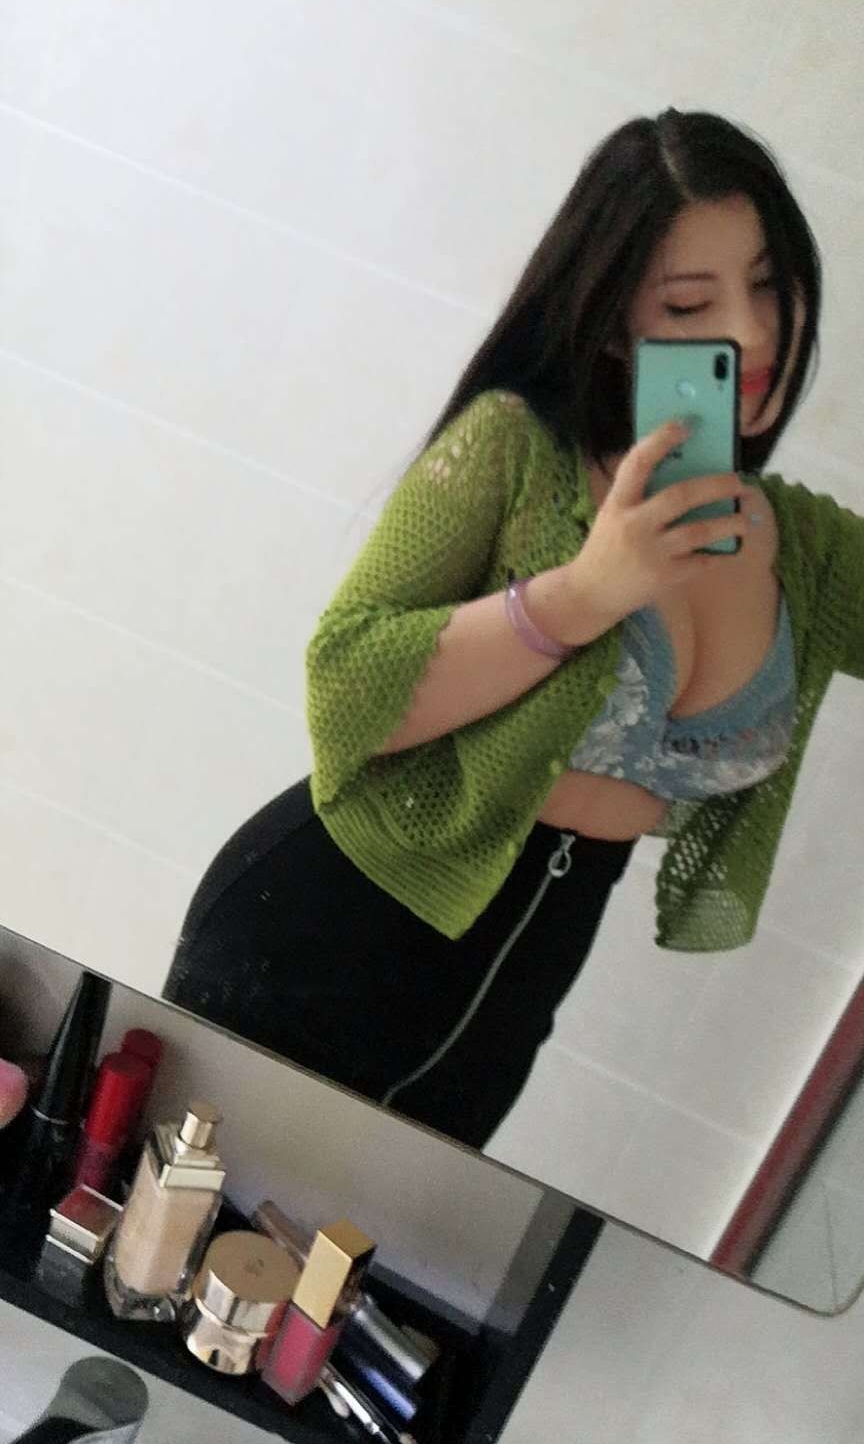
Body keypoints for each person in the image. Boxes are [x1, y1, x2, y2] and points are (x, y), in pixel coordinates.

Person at [162, 107, 864, 1151]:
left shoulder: (805, 554)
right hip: (316, 938)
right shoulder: (514, 450)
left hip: (502, 1018)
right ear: (613, 323)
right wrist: (584, 592)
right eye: (690, 302)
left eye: (768, 285)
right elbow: (346, 686)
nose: (754, 334)